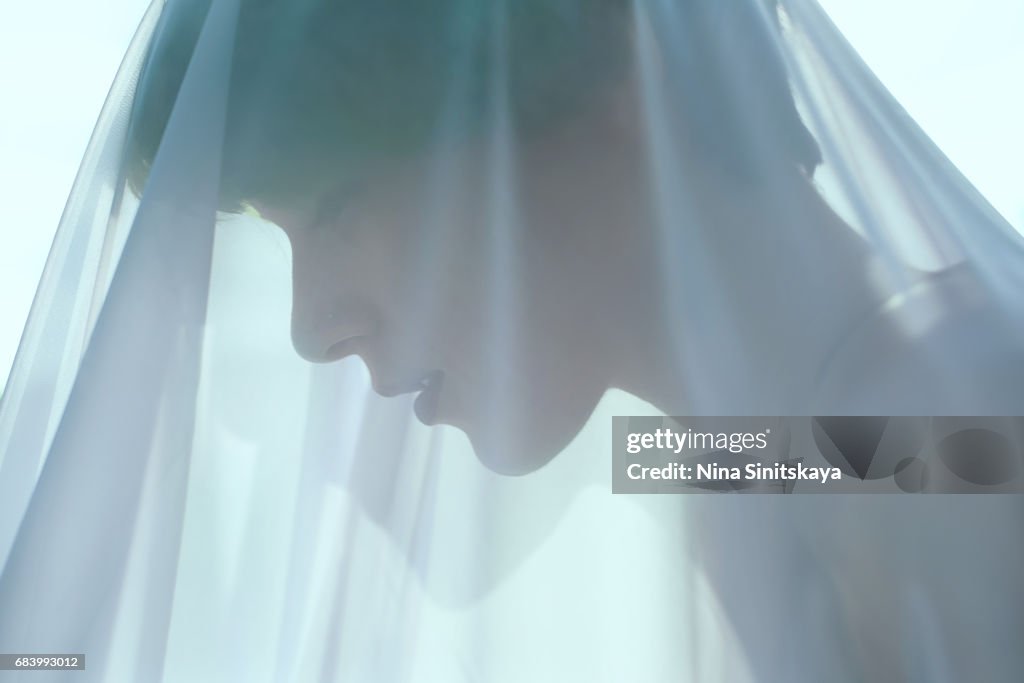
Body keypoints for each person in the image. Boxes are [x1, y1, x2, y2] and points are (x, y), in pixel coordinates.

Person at [2, 0, 1022, 680]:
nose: (312, 329)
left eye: (342, 206)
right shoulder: (753, 462)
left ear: (610, 89)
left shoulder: (959, 420)